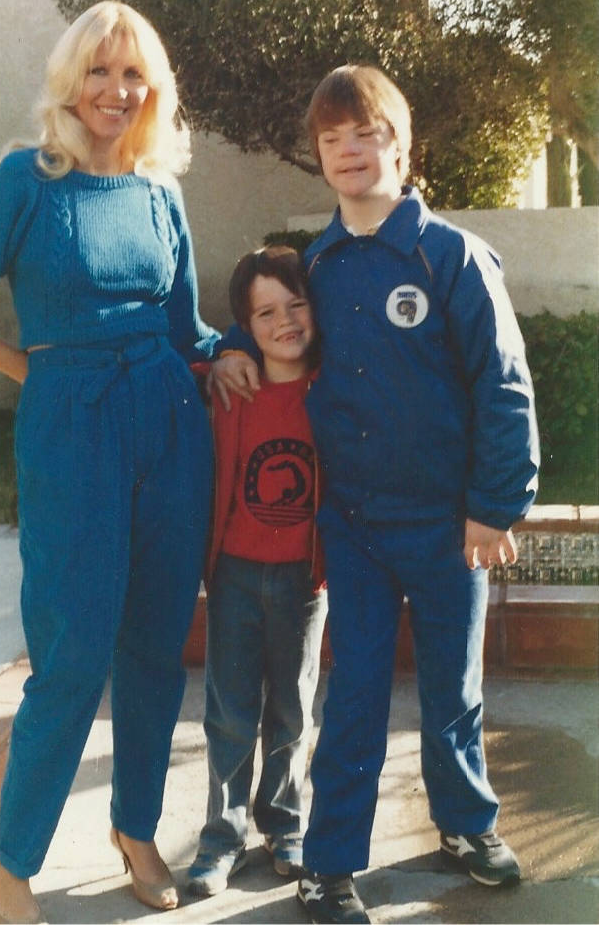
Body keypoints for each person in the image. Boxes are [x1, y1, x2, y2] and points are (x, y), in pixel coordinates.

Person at [0, 1, 219, 924]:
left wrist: (233, 353)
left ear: (153, 91)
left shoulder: (162, 193)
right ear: (69, 80)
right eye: (99, 72)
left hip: (169, 426)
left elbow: (185, 328)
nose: (116, 92)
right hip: (72, 434)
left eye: (134, 76)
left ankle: (136, 830)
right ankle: (13, 858)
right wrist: (31, 372)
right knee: (74, 650)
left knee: (157, 650)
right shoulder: (25, 181)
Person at [211, 65, 540, 925]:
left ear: (400, 144)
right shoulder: (318, 264)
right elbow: (271, 326)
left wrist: (495, 504)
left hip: (446, 527)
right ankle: (329, 865)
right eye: (332, 140)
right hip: (352, 528)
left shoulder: (451, 257)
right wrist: (225, 351)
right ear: (319, 157)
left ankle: (466, 824)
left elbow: (503, 386)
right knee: (353, 692)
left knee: (452, 689)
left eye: (366, 134)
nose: (349, 151)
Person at [187, 246, 328, 898]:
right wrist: (221, 355)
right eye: (266, 312)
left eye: (296, 305)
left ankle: (286, 826)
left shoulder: (331, 388)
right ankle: (221, 837)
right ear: (247, 322)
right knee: (231, 712)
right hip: (237, 575)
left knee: (293, 710)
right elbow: (183, 365)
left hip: (302, 581)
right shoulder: (231, 384)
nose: (284, 321)